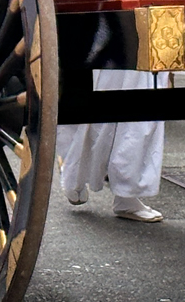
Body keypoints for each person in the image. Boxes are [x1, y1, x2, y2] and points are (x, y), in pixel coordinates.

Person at [57, 16, 166, 223]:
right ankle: (77, 172)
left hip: (157, 10)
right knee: (112, 94)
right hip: (114, 14)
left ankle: (126, 191)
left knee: (147, 97)